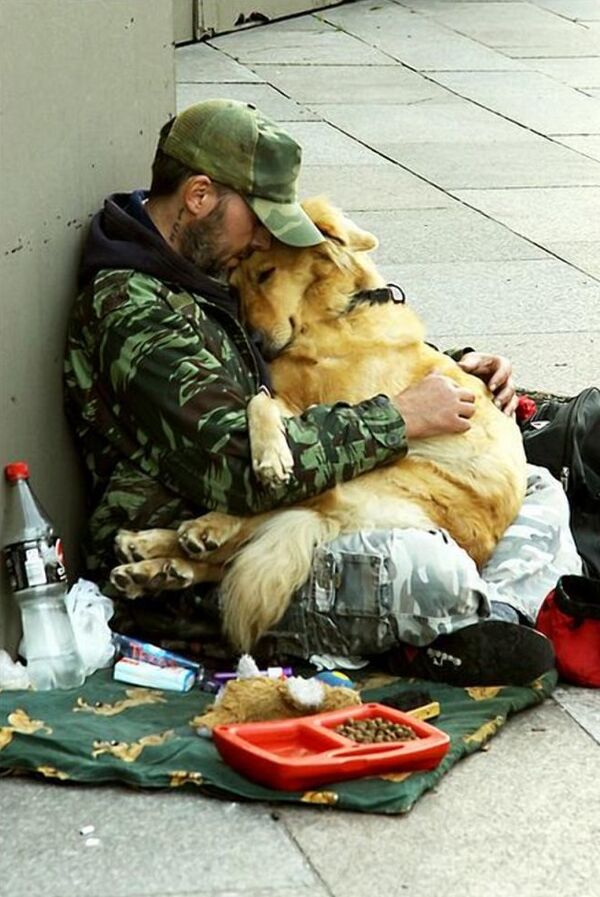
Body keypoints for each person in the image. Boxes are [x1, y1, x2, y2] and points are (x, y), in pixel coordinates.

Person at [64, 99, 578, 686]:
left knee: (535, 485)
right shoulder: (134, 311)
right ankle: (451, 624)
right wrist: (399, 418)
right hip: (195, 555)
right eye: (258, 218)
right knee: (425, 568)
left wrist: (457, 373)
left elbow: (322, 364)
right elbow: (241, 468)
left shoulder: (207, 259)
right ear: (199, 196)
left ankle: (494, 618)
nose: (264, 239)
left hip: (302, 507)